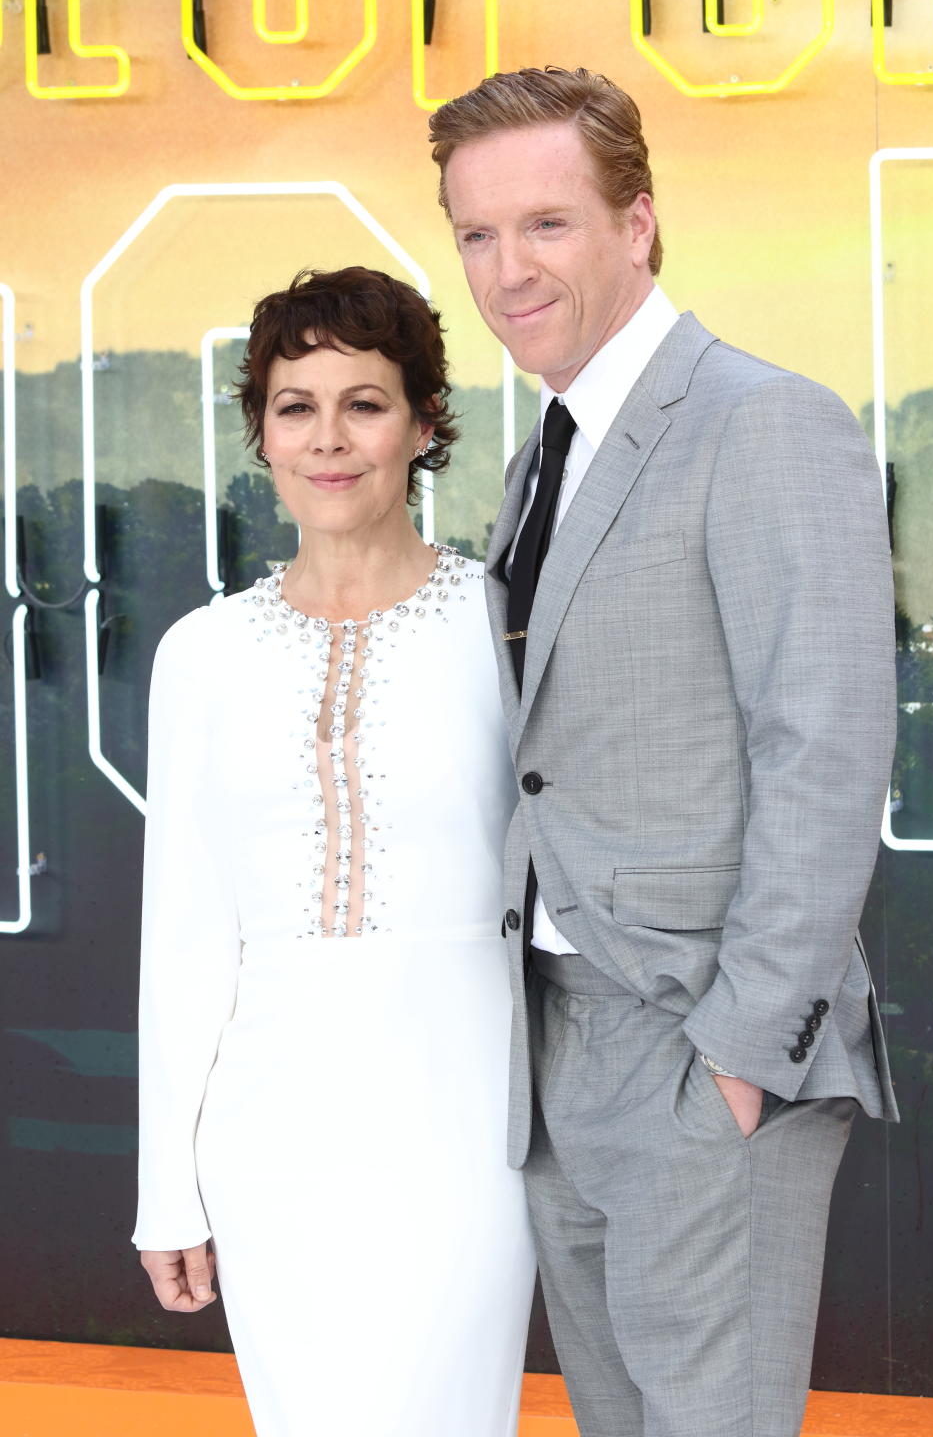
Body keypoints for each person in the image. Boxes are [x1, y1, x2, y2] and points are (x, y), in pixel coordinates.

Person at [429, 67, 898, 1437]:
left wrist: (740, 1058)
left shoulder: (765, 420)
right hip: (557, 1048)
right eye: (475, 234)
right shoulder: (546, 455)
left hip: (703, 1039)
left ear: (639, 222)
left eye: (548, 224)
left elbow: (825, 750)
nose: (506, 270)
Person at [132, 267, 537, 1437]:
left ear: (423, 424)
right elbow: (187, 937)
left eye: (364, 402)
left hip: (469, 1126)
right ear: (259, 429)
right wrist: (170, 1190)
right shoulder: (200, 653)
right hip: (270, 1141)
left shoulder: (505, 623)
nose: (329, 438)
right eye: (295, 405)